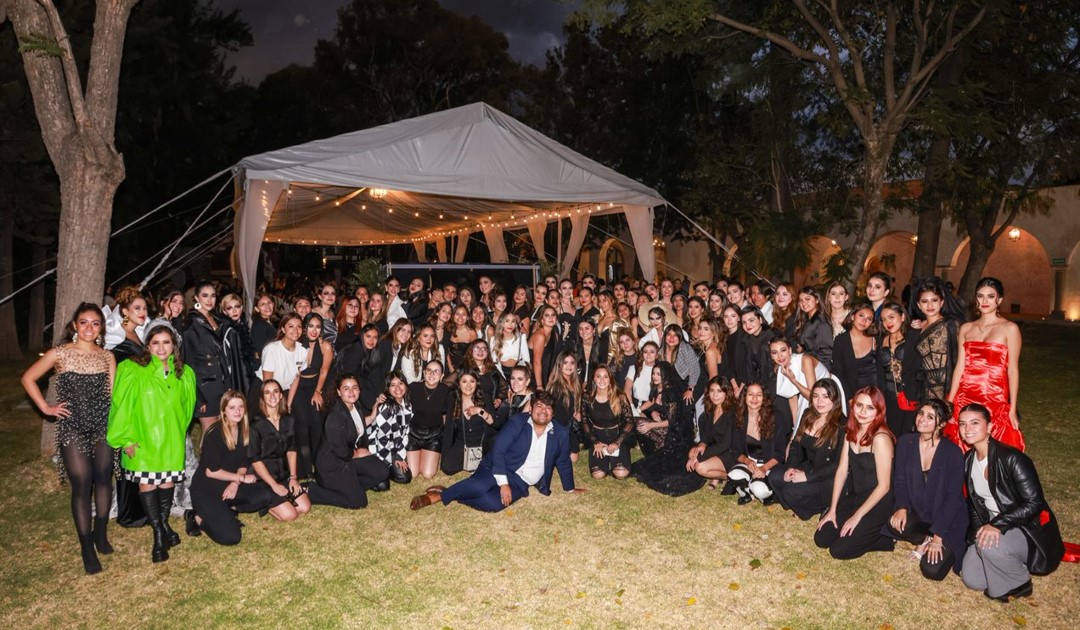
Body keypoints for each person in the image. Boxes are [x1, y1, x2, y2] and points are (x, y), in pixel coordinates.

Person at [21, 304, 116, 574]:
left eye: (95, 323)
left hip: (102, 426)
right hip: (72, 427)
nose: (89, 328)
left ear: (101, 328)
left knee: (103, 478)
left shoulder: (107, 356)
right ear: (74, 325)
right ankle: (87, 546)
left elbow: (112, 395)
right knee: (82, 484)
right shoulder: (60, 354)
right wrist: (46, 408)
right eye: (83, 322)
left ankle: (100, 534)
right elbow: (28, 378)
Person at [107, 320, 196, 563]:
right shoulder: (133, 370)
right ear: (147, 345)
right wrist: (125, 438)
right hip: (142, 441)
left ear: (174, 345)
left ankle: (164, 524)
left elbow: (187, 411)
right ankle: (159, 533)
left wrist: (178, 433)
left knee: (167, 484)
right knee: (148, 485)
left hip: (170, 440)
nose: (160, 348)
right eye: (155, 342)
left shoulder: (184, 373)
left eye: (166, 342)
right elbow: (121, 405)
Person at [409, 391, 585, 512]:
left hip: (521, 481)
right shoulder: (518, 422)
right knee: (479, 486)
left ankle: (450, 492)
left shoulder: (560, 433)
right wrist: (503, 483)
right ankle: (438, 497)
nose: (543, 411)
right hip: (497, 466)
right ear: (530, 409)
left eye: (548, 408)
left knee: (492, 503)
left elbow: (563, 461)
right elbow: (499, 449)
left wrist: (569, 488)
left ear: (552, 414)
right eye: (539, 406)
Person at [958, 403, 1064, 601]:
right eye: (962, 424)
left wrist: (996, 525)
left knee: (988, 548)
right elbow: (974, 504)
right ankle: (1006, 558)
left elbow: (1034, 503)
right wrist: (976, 534)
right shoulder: (968, 460)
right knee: (972, 579)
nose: (967, 429)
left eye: (974, 423)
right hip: (995, 524)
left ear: (989, 427)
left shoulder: (1012, 458)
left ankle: (1019, 584)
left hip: (1025, 528)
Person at [884, 399, 968, 580]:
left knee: (932, 570)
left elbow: (952, 498)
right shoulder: (906, 442)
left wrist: (938, 537)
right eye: (921, 413)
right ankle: (922, 539)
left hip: (946, 518)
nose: (922, 419)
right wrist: (901, 507)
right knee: (895, 523)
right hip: (919, 511)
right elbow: (899, 480)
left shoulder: (952, 452)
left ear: (942, 424)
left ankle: (932, 537)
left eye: (930, 417)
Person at [814, 386, 896, 560]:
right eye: (859, 405)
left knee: (838, 550)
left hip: (878, 502)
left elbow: (884, 486)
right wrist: (832, 510)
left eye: (870, 408)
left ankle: (884, 539)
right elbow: (842, 470)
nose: (863, 412)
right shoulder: (850, 431)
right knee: (822, 538)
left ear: (879, 411)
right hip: (855, 496)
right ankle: (860, 531)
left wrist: (856, 517)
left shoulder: (880, 439)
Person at [188, 391, 279, 546]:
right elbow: (211, 471)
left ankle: (226, 509)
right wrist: (240, 479)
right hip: (206, 491)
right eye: (232, 408)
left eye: (240, 407)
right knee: (232, 536)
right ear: (223, 410)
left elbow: (244, 461)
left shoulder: (243, 429)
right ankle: (197, 518)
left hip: (228, 484)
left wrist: (235, 484)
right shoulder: (214, 433)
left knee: (265, 495)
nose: (237, 411)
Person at [945, 277, 1025, 452]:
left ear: (999, 300)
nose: (985, 301)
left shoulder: (1010, 328)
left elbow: (1012, 370)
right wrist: (950, 401)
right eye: (980, 296)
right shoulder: (966, 328)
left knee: (995, 446)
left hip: (994, 396)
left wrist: (1012, 408)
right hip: (965, 394)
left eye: (990, 296)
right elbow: (960, 366)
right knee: (960, 446)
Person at [306, 375, 391, 509]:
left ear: (359, 390)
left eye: (354, 388)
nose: (351, 392)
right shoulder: (335, 416)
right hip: (332, 465)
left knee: (382, 472)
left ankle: (351, 488)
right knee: (358, 502)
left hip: (347, 461)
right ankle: (312, 491)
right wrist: (357, 453)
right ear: (339, 392)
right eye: (346, 388)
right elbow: (340, 450)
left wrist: (373, 415)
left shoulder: (355, 405)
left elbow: (356, 426)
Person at [768, 379, 844, 520]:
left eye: (825, 396)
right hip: (807, 467)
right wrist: (791, 467)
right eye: (815, 396)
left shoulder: (842, 425)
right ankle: (796, 503)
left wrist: (806, 477)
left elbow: (837, 465)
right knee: (774, 477)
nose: (820, 401)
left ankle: (818, 507)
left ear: (835, 398)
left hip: (827, 477)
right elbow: (796, 445)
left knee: (790, 491)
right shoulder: (808, 413)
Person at [247, 379, 311, 523]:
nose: (272, 396)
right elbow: (255, 460)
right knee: (290, 515)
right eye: (267, 392)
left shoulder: (289, 420)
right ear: (262, 397)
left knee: (304, 507)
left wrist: (293, 478)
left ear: (281, 395)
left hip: (282, 475)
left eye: (276, 391)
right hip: (262, 478)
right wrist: (273, 485)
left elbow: (291, 450)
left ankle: (282, 498)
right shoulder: (255, 425)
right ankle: (265, 504)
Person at [724, 382, 792, 504]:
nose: (754, 399)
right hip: (750, 462)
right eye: (750, 394)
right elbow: (736, 450)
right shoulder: (739, 417)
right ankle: (747, 492)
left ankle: (759, 490)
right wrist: (747, 461)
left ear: (764, 398)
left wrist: (764, 468)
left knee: (760, 490)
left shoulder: (776, 417)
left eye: (759, 395)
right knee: (734, 474)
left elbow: (780, 453)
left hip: (769, 465)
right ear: (744, 396)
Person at [903, 277, 965, 405]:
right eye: (924, 301)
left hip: (949, 387)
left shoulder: (952, 325)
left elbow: (961, 359)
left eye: (934, 300)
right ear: (919, 305)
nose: (930, 305)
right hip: (924, 388)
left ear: (942, 302)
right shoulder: (917, 327)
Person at [288, 313, 333, 479]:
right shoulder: (297, 344)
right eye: (311, 326)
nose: (314, 330)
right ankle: (304, 468)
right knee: (302, 425)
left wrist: (318, 392)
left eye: (318, 326)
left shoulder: (326, 346)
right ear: (305, 327)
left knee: (316, 424)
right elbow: (294, 373)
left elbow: (324, 371)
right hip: (298, 386)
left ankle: (318, 464)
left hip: (316, 386)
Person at [183, 281, 229, 431]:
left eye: (213, 296)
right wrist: (198, 396)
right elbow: (187, 361)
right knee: (209, 431)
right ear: (196, 298)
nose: (209, 300)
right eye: (205, 296)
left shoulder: (217, 319)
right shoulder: (191, 322)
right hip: (204, 385)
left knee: (221, 430)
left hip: (220, 382)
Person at [441, 369, 501, 475]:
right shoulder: (453, 399)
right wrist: (445, 455)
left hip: (483, 441)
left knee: (490, 466)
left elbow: (495, 424)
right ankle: (474, 463)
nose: (468, 385)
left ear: (476, 383)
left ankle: (481, 462)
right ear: (459, 383)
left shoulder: (485, 397)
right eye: (464, 381)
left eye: (472, 381)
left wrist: (480, 411)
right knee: (448, 468)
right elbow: (448, 428)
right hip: (463, 442)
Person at [580, 366, 634, 480]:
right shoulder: (587, 397)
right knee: (598, 475)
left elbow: (630, 421)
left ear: (610, 379)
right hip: (598, 437)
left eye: (605, 376)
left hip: (617, 436)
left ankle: (615, 458)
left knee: (621, 474)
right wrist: (595, 442)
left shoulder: (620, 396)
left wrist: (617, 443)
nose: (602, 380)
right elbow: (584, 421)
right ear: (593, 379)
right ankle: (606, 459)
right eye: (598, 376)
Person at [366, 371, 414, 488]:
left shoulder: (407, 405)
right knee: (382, 486)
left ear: (406, 386)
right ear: (387, 389)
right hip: (377, 450)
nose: (397, 388)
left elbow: (405, 434)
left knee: (405, 477)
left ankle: (387, 471)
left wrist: (399, 456)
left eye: (401, 383)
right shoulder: (386, 407)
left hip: (393, 449)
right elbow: (382, 439)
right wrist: (391, 460)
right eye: (393, 385)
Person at [407, 360, 452, 480]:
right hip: (413, 434)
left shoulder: (446, 391)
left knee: (427, 474)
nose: (432, 374)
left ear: (442, 376)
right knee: (412, 473)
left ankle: (427, 454)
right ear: (423, 373)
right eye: (429, 370)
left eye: (436, 371)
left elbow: (448, 416)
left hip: (434, 435)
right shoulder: (412, 387)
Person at [686, 377, 736, 487]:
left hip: (731, 453)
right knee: (692, 452)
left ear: (727, 392)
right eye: (712, 391)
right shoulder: (712, 408)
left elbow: (726, 444)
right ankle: (717, 476)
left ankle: (734, 477)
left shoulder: (732, 413)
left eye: (719, 391)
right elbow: (708, 434)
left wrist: (698, 458)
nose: (715, 395)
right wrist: (702, 444)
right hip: (717, 448)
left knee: (699, 467)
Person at [877, 303, 916, 437]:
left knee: (909, 437)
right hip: (890, 398)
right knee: (892, 436)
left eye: (891, 317)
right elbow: (880, 373)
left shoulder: (913, 337)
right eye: (884, 319)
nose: (888, 322)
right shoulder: (881, 340)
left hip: (911, 396)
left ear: (903, 317)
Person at [832, 302, 877, 404]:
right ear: (852, 316)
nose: (864, 321)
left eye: (869, 319)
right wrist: (849, 398)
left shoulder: (875, 339)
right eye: (861, 315)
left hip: (874, 396)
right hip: (851, 396)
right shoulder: (840, 341)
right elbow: (838, 373)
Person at [547, 351, 584, 461]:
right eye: (565, 363)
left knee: (574, 457)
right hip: (558, 426)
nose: (569, 366)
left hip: (571, 425)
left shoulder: (576, 382)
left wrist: (577, 413)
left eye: (572, 363)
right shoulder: (556, 386)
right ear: (559, 365)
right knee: (573, 459)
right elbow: (556, 415)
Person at [260, 314, 305, 403]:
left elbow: (296, 379)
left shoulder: (303, 350)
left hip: (286, 392)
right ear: (283, 329)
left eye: (299, 326)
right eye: (291, 326)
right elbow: (268, 383)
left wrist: (288, 404)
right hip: (265, 391)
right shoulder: (272, 349)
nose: (295, 330)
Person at [793, 286, 834, 371]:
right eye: (801, 300)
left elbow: (826, 352)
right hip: (810, 366)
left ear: (817, 300)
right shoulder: (807, 320)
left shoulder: (820, 321)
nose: (804, 303)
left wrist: (806, 354)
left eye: (807, 299)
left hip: (820, 368)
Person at [103, 285, 147, 363]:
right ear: (125, 311)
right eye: (137, 308)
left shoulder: (139, 333)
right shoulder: (114, 337)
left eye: (145, 308)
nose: (143, 312)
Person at [529, 305, 561, 388]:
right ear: (542, 320)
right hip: (533, 376)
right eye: (547, 315)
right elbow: (536, 362)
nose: (551, 318)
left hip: (546, 374)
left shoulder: (555, 334)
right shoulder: (540, 336)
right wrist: (539, 386)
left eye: (553, 315)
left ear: (556, 319)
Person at [492, 311, 529, 378]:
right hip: (502, 373)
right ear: (501, 323)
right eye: (507, 321)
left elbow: (526, 360)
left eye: (513, 321)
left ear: (515, 324)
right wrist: (503, 379)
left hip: (519, 372)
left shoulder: (521, 338)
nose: (510, 324)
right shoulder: (494, 340)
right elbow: (495, 363)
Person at [250, 293, 278, 363]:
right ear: (257, 309)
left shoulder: (270, 322)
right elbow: (261, 350)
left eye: (269, 303)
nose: (267, 306)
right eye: (262, 304)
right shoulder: (259, 324)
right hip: (265, 365)